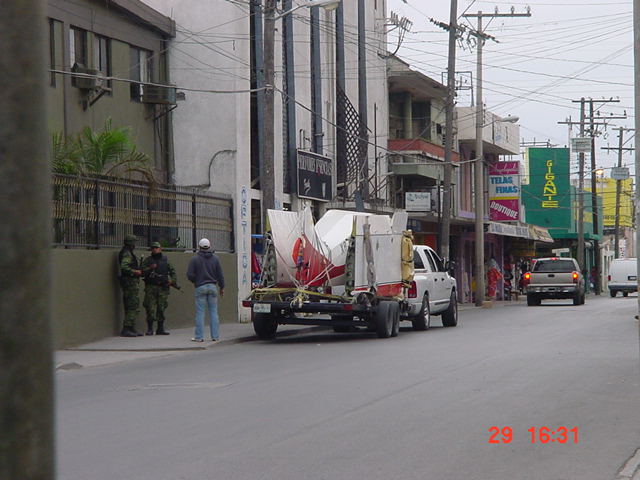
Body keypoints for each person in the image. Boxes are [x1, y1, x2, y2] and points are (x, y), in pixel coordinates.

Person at [187, 238, 225, 342]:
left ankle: (199, 337)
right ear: (209, 246)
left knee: (200, 313)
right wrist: (222, 287)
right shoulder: (215, 259)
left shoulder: (195, 259)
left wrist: (196, 281)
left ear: (199, 247)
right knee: (213, 312)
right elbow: (220, 275)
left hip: (200, 287)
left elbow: (189, 274)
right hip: (212, 287)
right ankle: (215, 336)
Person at [141, 242, 177, 335]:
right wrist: (150, 268)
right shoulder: (148, 260)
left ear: (160, 249)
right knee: (150, 308)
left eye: (156, 248)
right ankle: (150, 328)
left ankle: (160, 328)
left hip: (162, 288)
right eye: (153, 248)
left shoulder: (165, 260)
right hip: (151, 287)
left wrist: (172, 281)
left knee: (161, 307)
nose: (154, 249)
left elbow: (172, 272)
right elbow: (142, 272)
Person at [118, 234, 143, 337]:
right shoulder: (127, 254)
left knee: (133, 305)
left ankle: (131, 327)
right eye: (134, 243)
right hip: (130, 282)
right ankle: (127, 328)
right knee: (132, 305)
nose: (135, 245)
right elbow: (124, 267)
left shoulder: (128, 252)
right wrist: (135, 271)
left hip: (131, 282)